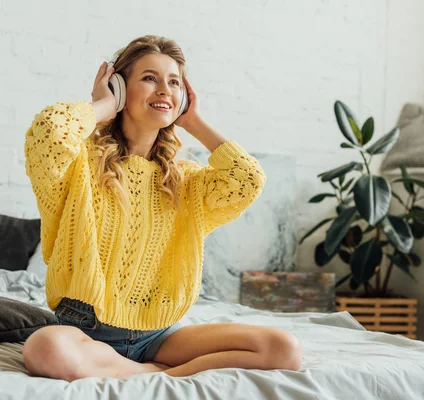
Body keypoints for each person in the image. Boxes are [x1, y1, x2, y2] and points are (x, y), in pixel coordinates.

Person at [21, 35, 302, 381]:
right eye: (149, 78)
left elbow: (248, 179)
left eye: (174, 82)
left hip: (158, 336)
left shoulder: (185, 182)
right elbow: (49, 131)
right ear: (120, 88)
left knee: (283, 348)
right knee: (44, 348)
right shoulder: (79, 165)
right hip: (85, 329)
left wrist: (193, 121)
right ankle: (155, 374)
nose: (164, 90)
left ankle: (145, 372)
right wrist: (103, 106)